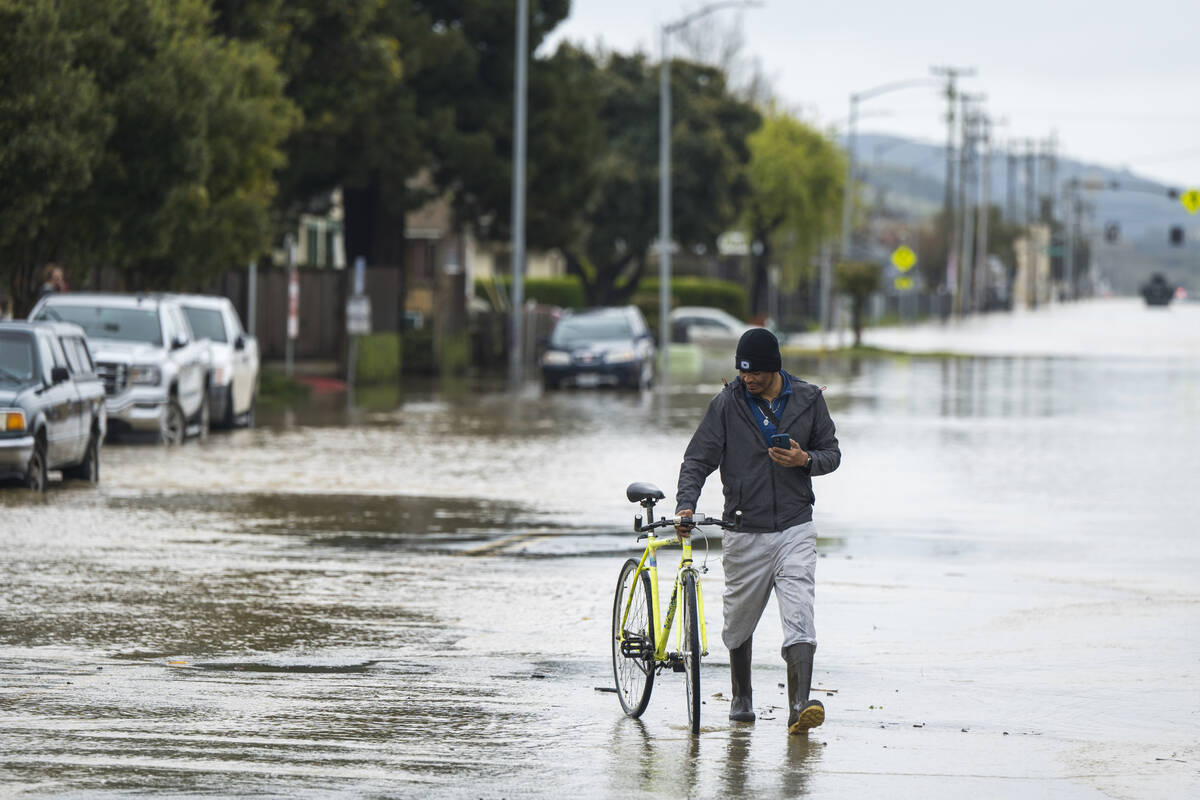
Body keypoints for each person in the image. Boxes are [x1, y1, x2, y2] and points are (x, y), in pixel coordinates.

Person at [675, 328, 840, 734]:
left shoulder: (809, 400)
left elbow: (832, 454)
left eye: (756, 374)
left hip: (795, 526)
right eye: (742, 372)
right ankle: (741, 695)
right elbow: (697, 459)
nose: (747, 380)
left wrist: (805, 460)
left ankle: (799, 705)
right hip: (743, 527)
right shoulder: (726, 405)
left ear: (774, 368)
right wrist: (686, 503)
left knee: (800, 611)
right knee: (739, 619)